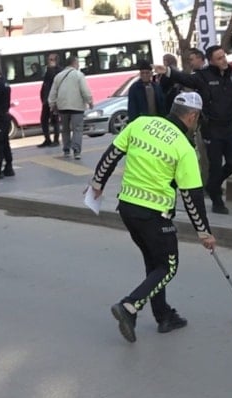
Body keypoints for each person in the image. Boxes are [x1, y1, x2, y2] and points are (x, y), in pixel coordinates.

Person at [88, 92, 216, 343]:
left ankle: (163, 315)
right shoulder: (184, 147)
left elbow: (112, 154)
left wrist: (97, 183)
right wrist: (204, 233)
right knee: (168, 267)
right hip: (154, 215)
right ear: (192, 116)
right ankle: (129, 307)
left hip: (127, 208)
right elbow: (191, 196)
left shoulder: (141, 123)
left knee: (154, 262)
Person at [155, 45, 232, 215]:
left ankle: (212, 185)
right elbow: (185, 79)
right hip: (212, 128)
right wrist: (167, 71)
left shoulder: (231, 76)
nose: (224, 60)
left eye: (224, 56)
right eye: (219, 58)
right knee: (215, 165)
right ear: (211, 61)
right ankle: (217, 201)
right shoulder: (203, 76)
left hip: (229, 128)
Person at [48, 55, 93, 160]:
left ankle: (66, 150)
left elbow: (53, 92)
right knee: (77, 129)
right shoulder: (79, 75)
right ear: (74, 63)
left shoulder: (58, 76)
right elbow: (85, 90)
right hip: (77, 107)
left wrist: (52, 105)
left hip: (63, 107)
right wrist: (89, 101)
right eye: (78, 63)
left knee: (65, 129)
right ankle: (76, 151)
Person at [37, 53, 62, 148]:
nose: (49, 61)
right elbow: (46, 84)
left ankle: (56, 140)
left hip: (54, 100)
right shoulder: (48, 70)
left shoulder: (58, 71)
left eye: (51, 60)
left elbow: (55, 84)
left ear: (56, 61)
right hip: (46, 100)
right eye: (49, 59)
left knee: (55, 120)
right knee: (43, 119)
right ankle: (47, 139)